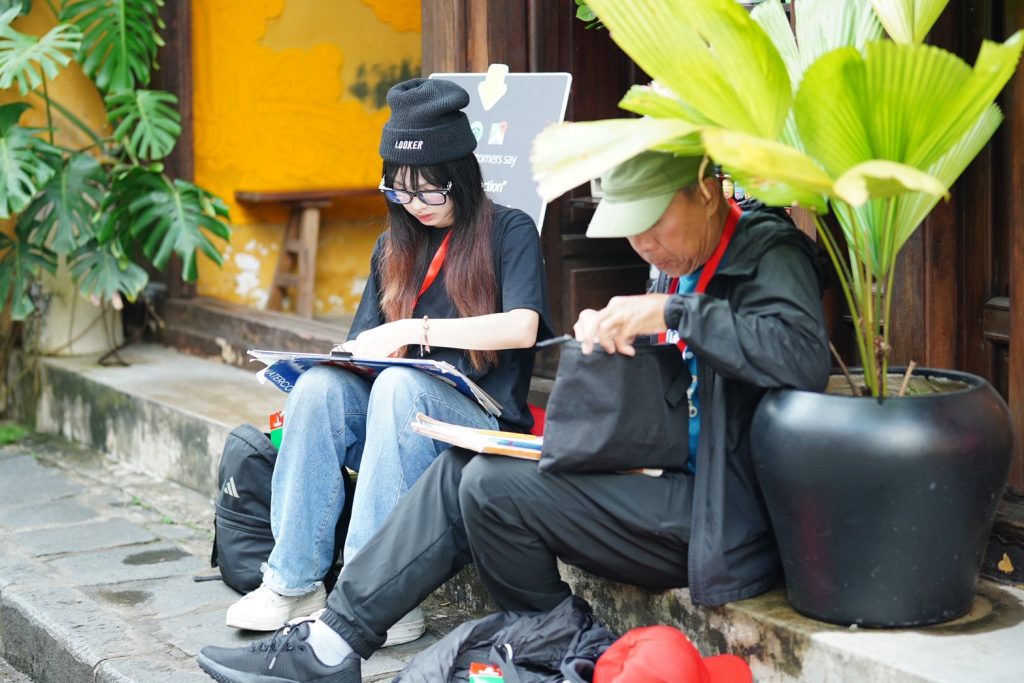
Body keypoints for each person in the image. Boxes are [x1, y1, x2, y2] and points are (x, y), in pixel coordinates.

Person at [197, 151, 831, 682]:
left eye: (654, 226)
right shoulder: (679, 259)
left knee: (490, 488)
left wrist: (669, 315)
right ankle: (336, 642)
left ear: (707, 191)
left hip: (718, 511)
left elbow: (802, 358)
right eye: (632, 232)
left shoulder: (766, 249)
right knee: (467, 468)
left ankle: (553, 644)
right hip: (656, 479)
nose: (645, 245)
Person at [222, 78, 552, 643]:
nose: (414, 206)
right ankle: (292, 584)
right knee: (320, 389)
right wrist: (337, 361)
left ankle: (373, 597)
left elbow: (522, 328)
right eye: (399, 192)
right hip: (394, 424)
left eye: (429, 192)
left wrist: (413, 329)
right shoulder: (393, 246)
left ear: (461, 177)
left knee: (401, 387)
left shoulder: (509, 229)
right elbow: (362, 348)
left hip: (479, 426)